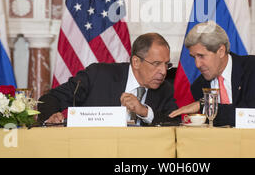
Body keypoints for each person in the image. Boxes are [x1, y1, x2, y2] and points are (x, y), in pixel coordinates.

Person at [38, 33, 180, 126]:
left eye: (166, 64)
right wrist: (51, 117)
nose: (163, 71)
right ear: (136, 62)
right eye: (156, 64)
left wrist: (144, 111)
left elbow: (174, 122)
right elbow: (50, 98)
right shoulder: (98, 75)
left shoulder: (164, 89)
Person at [169, 22, 255, 126]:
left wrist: (205, 106)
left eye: (201, 56)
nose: (197, 64)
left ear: (221, 51)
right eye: (194, 57)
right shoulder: (198, 86)